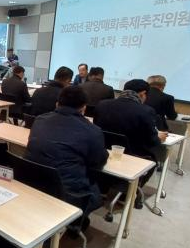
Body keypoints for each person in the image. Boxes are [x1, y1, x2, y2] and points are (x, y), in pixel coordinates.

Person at [26, 86, 108, 222]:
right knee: (94, 185)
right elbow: (97, 163)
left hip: (32, 182)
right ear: (84, 108)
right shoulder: (93, 131)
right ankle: (75, 222)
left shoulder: (40, 120)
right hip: (67, 193)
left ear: (57, 104)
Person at [94, 79, 168, 205]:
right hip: (133, 156)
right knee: (153, 159)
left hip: (103, 151)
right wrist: (159, 137)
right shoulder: (146, 111)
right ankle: (126, 194)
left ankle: (103, 187)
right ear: (143, 94)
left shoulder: (102, 104)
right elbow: (152, 141)